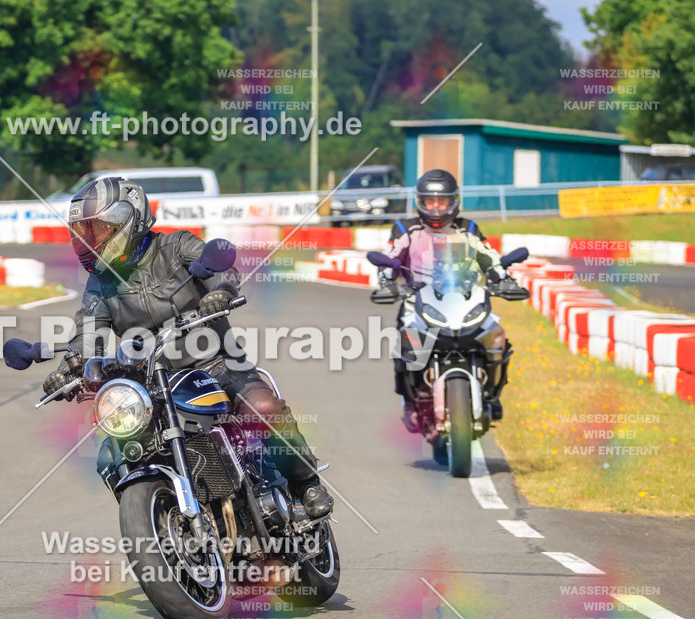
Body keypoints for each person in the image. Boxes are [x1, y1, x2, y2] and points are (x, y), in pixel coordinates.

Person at [44, 177, 334, 518]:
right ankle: (157, 514)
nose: (90, 241)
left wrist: (220, 293)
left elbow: (221, 270)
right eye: (83, 232)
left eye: (98, 230)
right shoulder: (100, 283)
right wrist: (70, 368)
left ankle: (306, 482)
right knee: (112, 448)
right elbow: (88, 331)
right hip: (153, 381)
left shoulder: (176, 246)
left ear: (128, 219)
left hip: (217, 363)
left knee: (263, 408)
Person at [378, 168, 525, 430]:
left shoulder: (467, 228)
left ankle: (492, 394)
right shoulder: (405, 229)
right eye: (430, 201)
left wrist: (502, 278)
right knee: (404, 344)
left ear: (454, 201)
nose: (436, 208)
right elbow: (390, 258)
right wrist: (386, 279)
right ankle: (411, 402)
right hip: (417, 301)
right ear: (420, 201)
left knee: (497, 336)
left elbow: (487, 256)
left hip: (464, 298)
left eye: (442, 201)